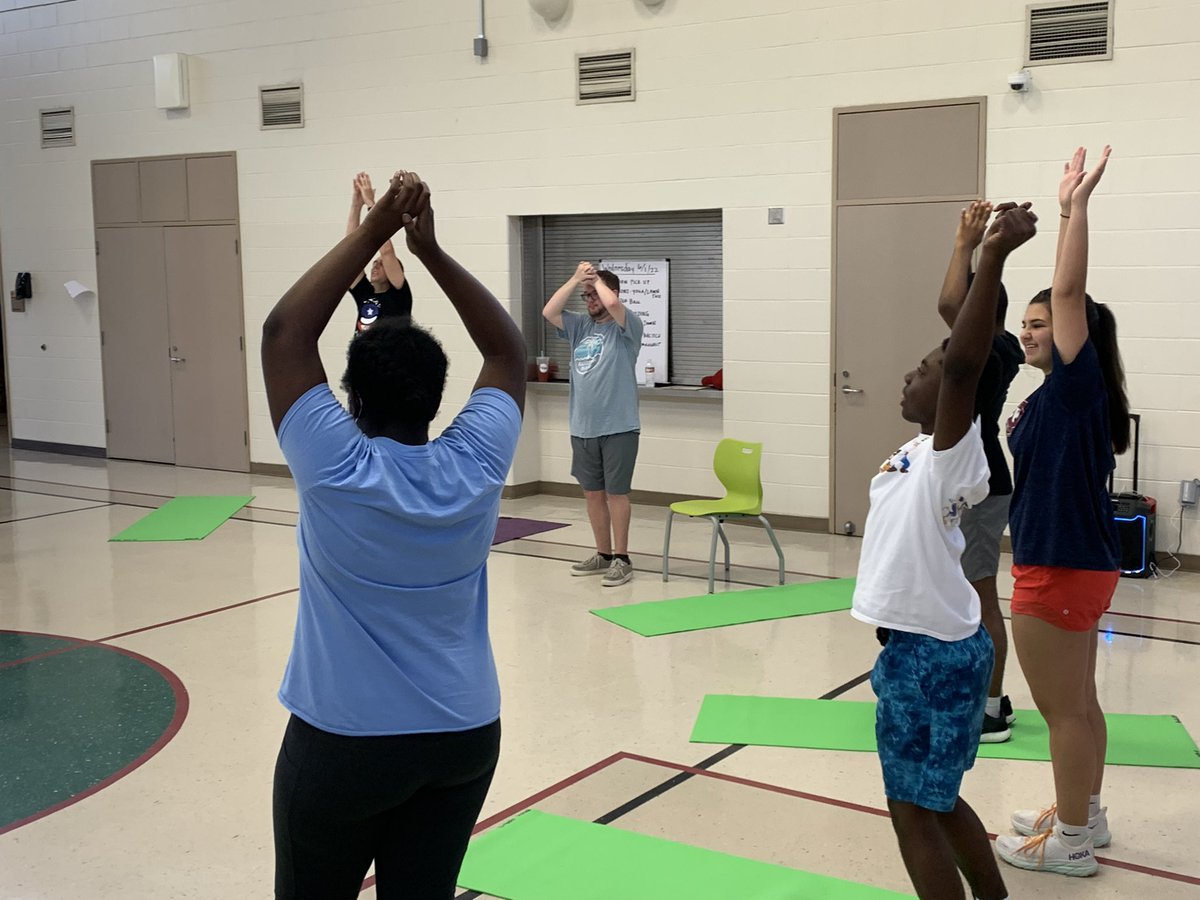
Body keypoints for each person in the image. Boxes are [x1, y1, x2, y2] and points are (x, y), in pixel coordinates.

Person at [261, 170, 526, 899]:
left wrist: (374, 227)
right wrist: (428, 248)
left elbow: (286, 332)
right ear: (440, 398)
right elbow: (506, 352)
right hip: (464, 737)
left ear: (349, 399)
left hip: (344, 745)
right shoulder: (475, 460)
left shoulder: (336, 466)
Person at [852, 202, 1038, 900]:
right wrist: (966, 244)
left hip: (932, 660)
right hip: (918, 649)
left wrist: (991, 257)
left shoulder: (953, 458)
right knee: (933, 803)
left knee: (912, 815)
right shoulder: (917, 451)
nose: (910, 375)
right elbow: (954, 338)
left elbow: (964, 365)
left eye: (923, 369)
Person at [996, 146, 1128, 878]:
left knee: (1064, 713)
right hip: (1078, 564)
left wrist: (1075, 209)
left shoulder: (1078, 391)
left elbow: (1073, 290)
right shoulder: (1050, 397)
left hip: (1062, 568)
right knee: (1082, 700)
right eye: (1028, 320)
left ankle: (1071, 843)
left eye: (1042, 323)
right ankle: (1089, 813)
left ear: (1076, 336)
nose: (1031, 330)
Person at [936, 200, 1025, 743]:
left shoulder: (989, 350)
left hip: (981, 484)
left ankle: (989, 709)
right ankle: (989, 695)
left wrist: (966, 243)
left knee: (981, 595)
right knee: (970, 592)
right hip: (981, 479)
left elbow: (950, 302)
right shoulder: (1005, 344)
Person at [543, 261, 645, 587]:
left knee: (616, 494)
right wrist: (576, 280)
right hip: (582, 426)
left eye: (593, 294)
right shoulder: (579, 327)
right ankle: (602, 553)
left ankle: (622, 557)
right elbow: (549, 311)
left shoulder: (627, 328)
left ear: (610, 291)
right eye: (585, 296)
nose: (589, 300)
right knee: (592, 494)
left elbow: (613, 304)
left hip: (618, 426)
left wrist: (596, 278)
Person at [346, 171, 413, 333]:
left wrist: (370, 202)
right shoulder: (364, 293)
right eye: (374, 263)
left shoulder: (399, 294)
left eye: (381, 264)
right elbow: (349, 252)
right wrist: (356, 205)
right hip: (363, 357)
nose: (375, 266)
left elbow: (387, 251)